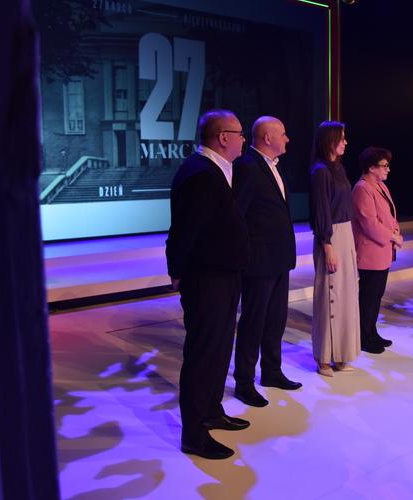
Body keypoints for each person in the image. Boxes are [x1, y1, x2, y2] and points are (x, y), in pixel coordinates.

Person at [165, 109, 250, 460]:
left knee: (218, 348)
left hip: (224, 275)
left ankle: (212, 411)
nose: (244, 139)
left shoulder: (218, 169)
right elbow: (185, 230)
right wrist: (177, 271)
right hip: (206, 278)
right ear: (223, 137)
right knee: (202, 353)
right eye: (240, 133)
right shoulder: (200, 172)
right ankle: (194, 434)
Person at [232, 116, 301, 408]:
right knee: (253, 322)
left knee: (275, 320)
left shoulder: (274, 166)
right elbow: (238, 215)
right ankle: (244, 382)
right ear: (268, 137)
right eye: (283, 134)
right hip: (259, 262)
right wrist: (247, 255)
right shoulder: (247, 166)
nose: (287, 139)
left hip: (279, 259)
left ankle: (272, 371)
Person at [309, 121, 361, 376]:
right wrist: (327, 244)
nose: (345, 142)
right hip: (331, 236)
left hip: (345, 233)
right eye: (341, 138)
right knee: (330, 296)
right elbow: (321, 210)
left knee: (346, 297)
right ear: (329, 140)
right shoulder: (320, 171)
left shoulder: (338, 168)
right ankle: (324, 357)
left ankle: (340, 353)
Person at [351, 147, 403, 354]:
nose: (388, 169)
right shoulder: (362, 188)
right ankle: (364, 336)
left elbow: (389, 215)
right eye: (384, 165)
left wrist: (396, 231)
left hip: (382, 251)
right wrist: (392, 236)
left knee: (376, 295)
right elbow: (369, 223)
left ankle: (372, 332)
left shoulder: (380, 186)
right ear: (371, 167)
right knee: (368, 296)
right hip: (370, 251)